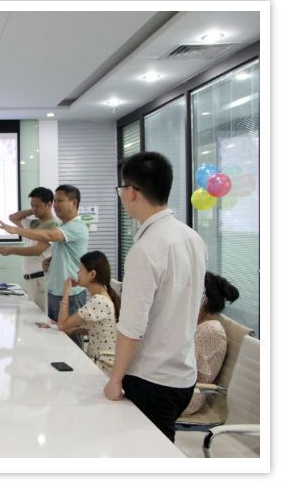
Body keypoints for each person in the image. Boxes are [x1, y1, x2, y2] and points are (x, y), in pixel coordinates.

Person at [104, 151, 207, 443]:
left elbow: (132, 326)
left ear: (132, 192)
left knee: (144, 454)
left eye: (122, 189)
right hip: (183, 375)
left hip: (151, 378)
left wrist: (115, 379)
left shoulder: (146, 248)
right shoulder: (192, 237)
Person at [0, 184, 89, 328]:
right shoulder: (62, 226)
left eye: (60, 201)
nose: (56, 205)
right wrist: (50, 261)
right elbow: (63, 253)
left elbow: (48, 235)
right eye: (55, 200)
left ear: (74, 202)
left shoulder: (76, 226)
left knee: (69, 338)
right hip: (56, 291)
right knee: (53, 334)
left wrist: (16, 231)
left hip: (70, 294)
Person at [0, 187, 59, 311]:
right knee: (34, 315)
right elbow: (13, 217)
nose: (34, 208)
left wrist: (11, 250)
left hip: (41, 278)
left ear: (49, 204)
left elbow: (38, 249)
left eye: (37, 205)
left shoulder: (52, 224)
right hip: (32, 279)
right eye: (32, 205)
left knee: (40, 316)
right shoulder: (34, 223)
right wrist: (34, 210)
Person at [182, 272, 239, 416]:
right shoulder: (203, 324)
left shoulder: (210, 330)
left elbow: (189, 372)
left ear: (204, 300)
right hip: (182, 388)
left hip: (189, 396)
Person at [53, 251, 119, 370]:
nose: (77, 272)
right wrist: (73, 330)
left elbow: (62, 325)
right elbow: (96, 328)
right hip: (100, 359)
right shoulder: (102, 295)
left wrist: (66, 291)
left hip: (103, 365)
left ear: (92, 274)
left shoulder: (98, 301)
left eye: (80, 269)